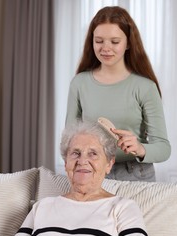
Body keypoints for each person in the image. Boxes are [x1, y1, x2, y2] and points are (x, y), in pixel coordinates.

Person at [3, 120, 150, 236]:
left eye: (93, 153)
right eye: (75, 153)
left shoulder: (122, 207)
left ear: (109, 164)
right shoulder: (42, 207)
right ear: (66, 162)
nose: (82, 161)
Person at [65, 6, 171, 182]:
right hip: (93, 172)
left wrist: (139, 148)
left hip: (135, 174)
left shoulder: (145, 87)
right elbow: (69, 140)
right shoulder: (79, 83)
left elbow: (163, 148)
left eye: (114, 42)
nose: (106, 48)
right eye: (99, 41)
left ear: (128, 43)